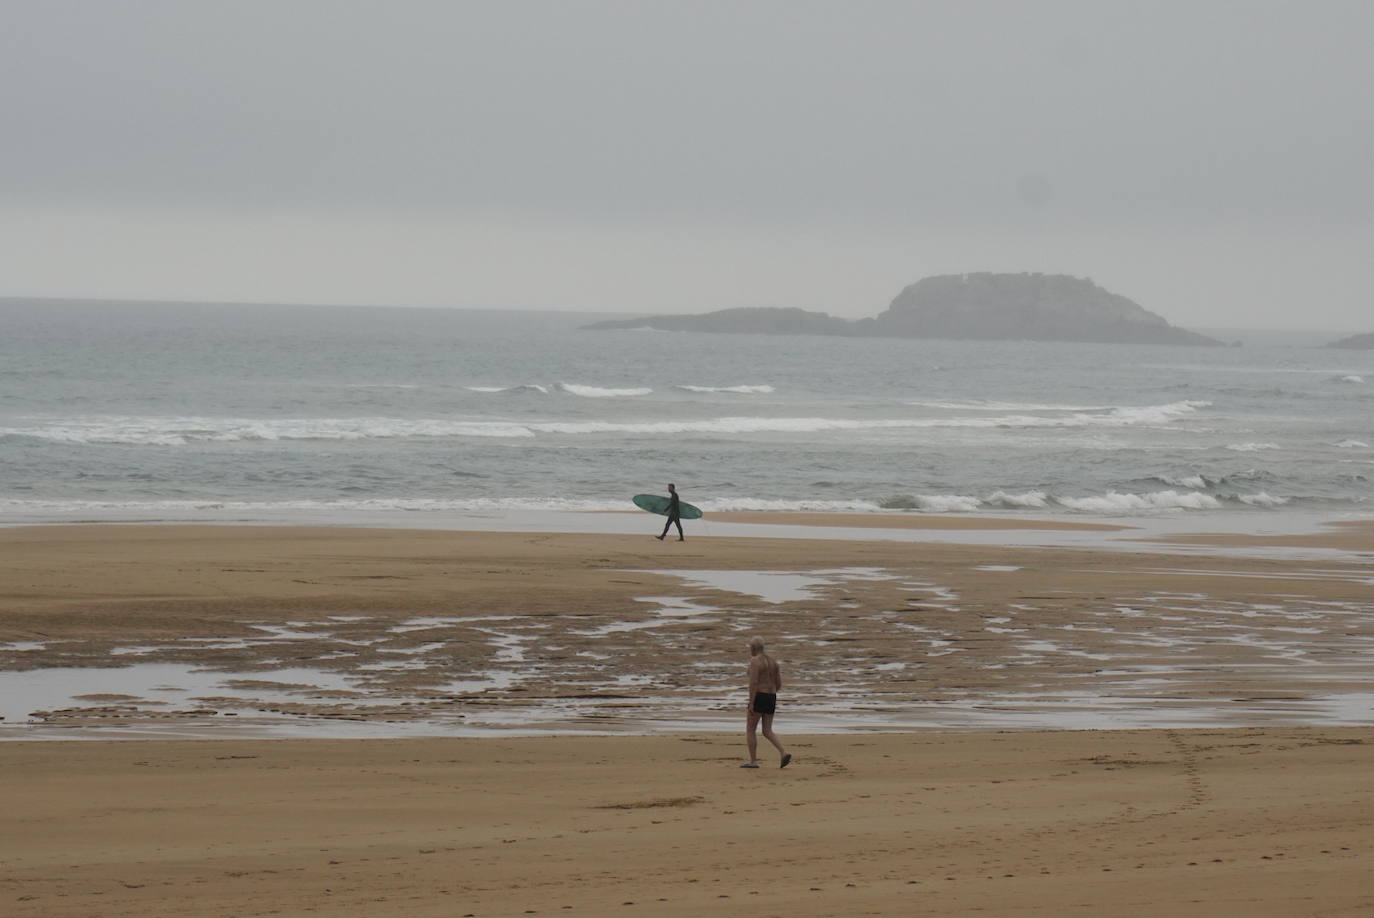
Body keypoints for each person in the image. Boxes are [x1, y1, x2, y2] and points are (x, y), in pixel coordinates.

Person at [742, 636, 791, 769]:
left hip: (759, 696)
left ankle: (753, 761)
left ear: (753, 648)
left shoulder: (755, 661)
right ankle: (783, 752)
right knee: (767, 730)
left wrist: (751, 703)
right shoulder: (773, 662)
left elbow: (753, 683)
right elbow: (779, 684)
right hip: (771, 696)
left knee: (751, 729)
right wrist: (771, 693)